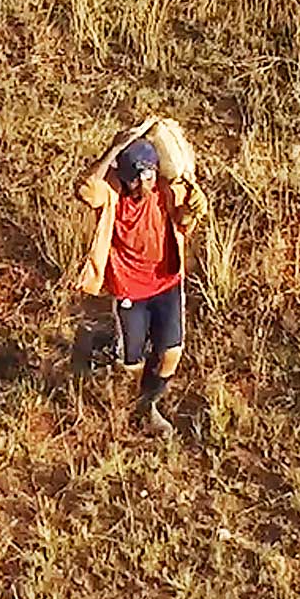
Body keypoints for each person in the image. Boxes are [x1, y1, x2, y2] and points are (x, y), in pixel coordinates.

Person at [74, 118, 196, 438]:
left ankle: (148, 406)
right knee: (132, 362)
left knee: (171, 353)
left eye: (150, 176)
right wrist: (114, 149)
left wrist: (193, 211)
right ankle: (123, 393)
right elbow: (84, 188)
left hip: (167, 283)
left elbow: (184, 219)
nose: (145, 184)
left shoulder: (166, 190)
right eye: (138, 179)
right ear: (124, 177)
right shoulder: (111, 193)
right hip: (130, 288)